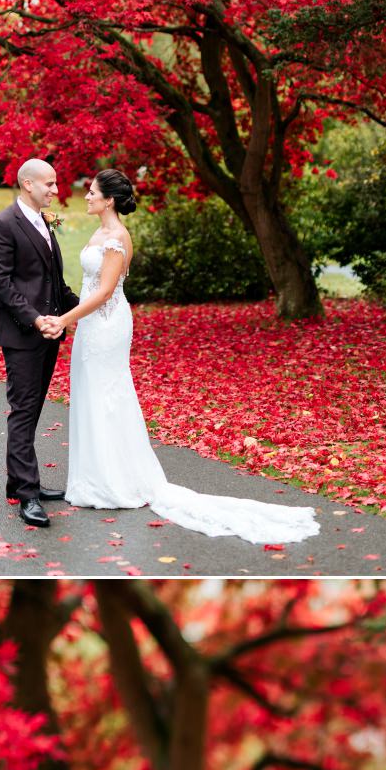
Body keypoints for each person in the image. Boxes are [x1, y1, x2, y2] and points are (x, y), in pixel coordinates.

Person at [55, 169, 319, 545]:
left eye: (92, 191)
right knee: (91, 393)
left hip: (107, 325)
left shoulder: (116, 238)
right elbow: (88, 287)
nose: (86, 196)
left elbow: (104, 292)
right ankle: (94, 477)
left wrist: (66, 319)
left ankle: (114, 483)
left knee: (107, 396)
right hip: (91, 326)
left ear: (109, 200)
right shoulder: (99, 232)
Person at [0, 158, 82, 529]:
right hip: (24, 334)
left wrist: (88, 307)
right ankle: (27, 494)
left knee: (34, 408)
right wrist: (37, 320)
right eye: (50, 184)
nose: (56, 191)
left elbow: (51, 282)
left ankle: (19, 482)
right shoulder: (2, 224)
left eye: (55, 184)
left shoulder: (43, 222)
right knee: (23, 410)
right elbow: (2, 283)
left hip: (51, 330)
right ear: (27, 184)